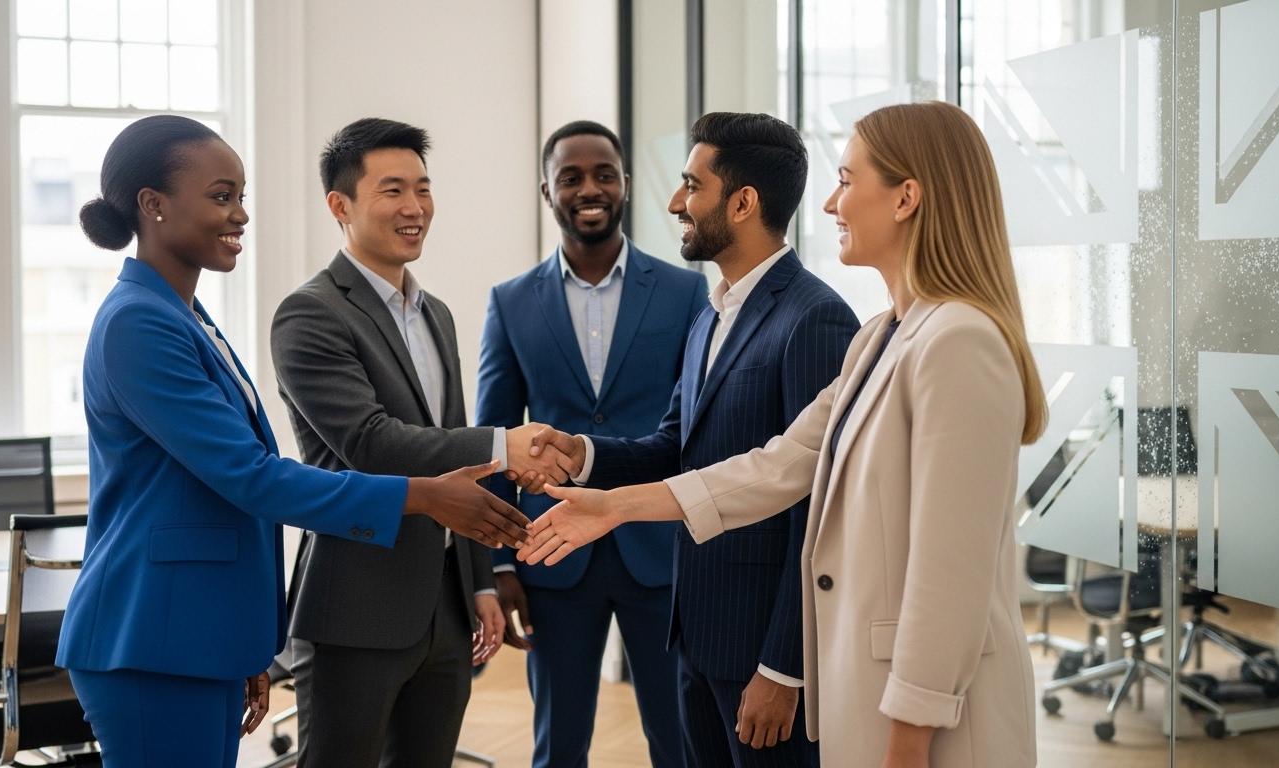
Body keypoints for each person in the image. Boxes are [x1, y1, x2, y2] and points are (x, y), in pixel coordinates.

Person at [519, 101, 1047, 768]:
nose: (830, 203)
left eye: (849, 181)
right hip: (866, 692)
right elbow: (775, 467)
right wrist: (614, 503)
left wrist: (909, 736)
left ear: (907, 197)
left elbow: (952, 573)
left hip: (930, 719)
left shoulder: (959, 341)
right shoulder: (881, 337)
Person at [56, 115, 530, 768]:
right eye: (221, 197)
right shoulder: (139, 323)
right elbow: (252, 476)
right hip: (152, 635)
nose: (241, 215)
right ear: (154, 205)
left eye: (241, 197)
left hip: (195, 633)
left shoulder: (184, 316)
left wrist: (245, 644)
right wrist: (423, 497)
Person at [518, 112, 860, 767]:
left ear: (743, 202)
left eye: (690, 186)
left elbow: (818, 514)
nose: (675, 202)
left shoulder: (815, 318)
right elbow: (678, 445)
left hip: (761, 652)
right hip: (696, 634)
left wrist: (785, 669)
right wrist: (583, 455)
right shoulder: (711, 312)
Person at [270, 117, 576, 768]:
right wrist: (505, 445)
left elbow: (450, 460)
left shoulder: (434, 313)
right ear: (340, 206)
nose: (414, 208)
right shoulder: (311, 313)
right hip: (357, 603)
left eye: (423, 188)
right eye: (392, 191)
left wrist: (482, 585)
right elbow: (370, 443)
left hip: (444, 609)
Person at [475, 120, 709, 768]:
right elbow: (493, 435)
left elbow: (698, 427)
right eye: (571, 177)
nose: (590, 188)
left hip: (660, 550)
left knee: (680, 739)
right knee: (559, 745)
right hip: (551, 556)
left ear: (625, 185)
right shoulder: (512, 302)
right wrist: (499, 565)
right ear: (547, 191)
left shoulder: (685, 292)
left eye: (604, 173)